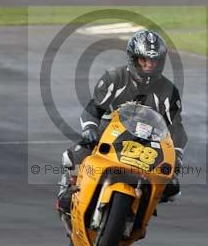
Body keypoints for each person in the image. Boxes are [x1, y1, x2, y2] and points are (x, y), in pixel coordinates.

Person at [56, 29, 188, 214]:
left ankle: (145, 208)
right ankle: (69, 189)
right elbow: (94, 108)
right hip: (108, 134)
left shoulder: (169, 91)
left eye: (154, 61)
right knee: (74, 156)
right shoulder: (114, 78)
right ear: (133, 58)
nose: (149, 65)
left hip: (147, 145)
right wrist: (90, 129)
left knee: (171, 186)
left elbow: (177, 128)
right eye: (144, 60)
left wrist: (177, 156)